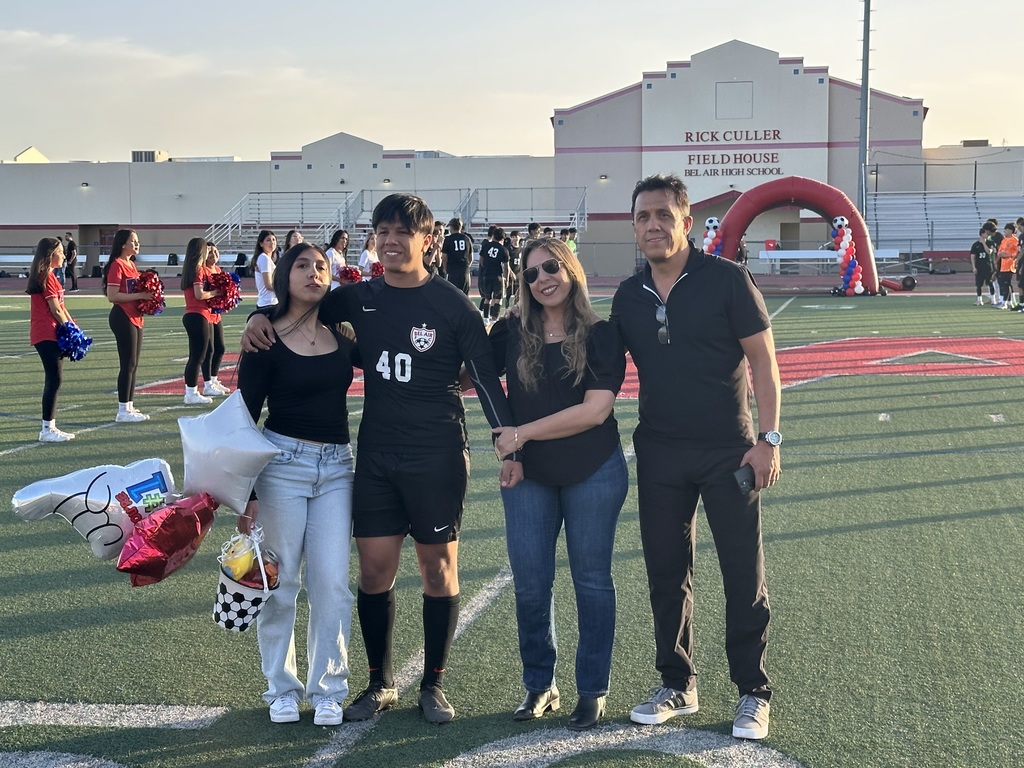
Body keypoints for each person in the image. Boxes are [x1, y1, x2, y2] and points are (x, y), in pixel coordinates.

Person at [242, 193, 521, 725]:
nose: (391, 241)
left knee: (437, 568)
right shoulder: (359, 297)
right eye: (383, 232)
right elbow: (303, 304)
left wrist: (506, 438)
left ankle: (434, 684)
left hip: (437, 452)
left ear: (427, 240)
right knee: (373, 571)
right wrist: (259, 315)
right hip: (372, 456)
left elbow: (484, 375)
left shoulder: (453, 304)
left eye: (403, 232)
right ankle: (379, 682)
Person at [611, 173, 780, 741]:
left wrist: (769, 439)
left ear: (687, 222)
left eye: (664, 214)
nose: (653, 225)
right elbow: (592, 366)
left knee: (741, 572)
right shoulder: (629, 297)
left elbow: (763, 362)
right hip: (659, 453)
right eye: (643, 217)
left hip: (729, 451)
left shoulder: (727, 280)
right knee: (666, 570)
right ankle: (678, 683)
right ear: (634, 228)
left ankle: (752, 691)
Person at [484, 237, 627, 731]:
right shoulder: (510, 331)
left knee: (591, 582)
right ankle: (539, 684)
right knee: (530, 583)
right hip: (530, 474)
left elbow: (595, 410)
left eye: (551, 267)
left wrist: (520, 436)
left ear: (570, 270)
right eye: (530, 273)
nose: (542, 279)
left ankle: (593, 689)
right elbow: (472, 377)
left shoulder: (602, 333)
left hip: (595, 468)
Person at [237, 241, 358, 727]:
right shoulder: (263, 338)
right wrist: (246, 493)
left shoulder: (344, 334)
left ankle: (328, 687)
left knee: (330, 583)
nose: (314, 272)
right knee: (281, 584)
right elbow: (244, 418)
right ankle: (280, 688)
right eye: (303, 265)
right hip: (280, 466)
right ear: (285, 274)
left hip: (337, 468)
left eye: (322, 266)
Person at [27, 237, 76, 442]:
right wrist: (69, 330)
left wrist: (74, 327)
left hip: (53, 332)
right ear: (50, 254)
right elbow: (55, 309)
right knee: (54, 379)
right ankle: (47, 429)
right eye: (60, 251)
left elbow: (62, 308)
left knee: (55, 379)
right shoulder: (44, 276)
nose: (64, 255)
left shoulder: (51, 277)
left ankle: (49, 427)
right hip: (45, 333)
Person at [103, 228, 155, 423]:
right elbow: (112, 296)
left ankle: (129, 406)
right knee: (128, 363)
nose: (137, 244)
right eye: (133, 241)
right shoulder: (117, 265)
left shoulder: (131, 265)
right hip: (122, 316)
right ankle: (122, 410)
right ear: (123, 244)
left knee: (133, 364)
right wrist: (141, 296)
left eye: (137, 241)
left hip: (136, 316)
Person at [180, 237, 222, 405]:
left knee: (199, 355)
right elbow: (199, 295)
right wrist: (215, 293)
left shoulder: (193, 269)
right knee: (197, 356)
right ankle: (191, 393)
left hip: (196, 315)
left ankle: (192, 391)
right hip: (197, 315)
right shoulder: (198, 270)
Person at [202, 243, 231, 395]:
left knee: (220, 347)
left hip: (216, 313)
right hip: (205, 313)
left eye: (215, 250)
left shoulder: (218, 270)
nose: (213, 254)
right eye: (209, 252)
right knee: (209, 350)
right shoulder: (202, 270)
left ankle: (213, 379)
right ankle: (207, 384)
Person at [477, 226, 508, 324]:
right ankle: (495, 318)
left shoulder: (486, 245)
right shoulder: (503, 250)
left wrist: (485, 267)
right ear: (502, 239)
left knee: (487, 298)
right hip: (497, 275)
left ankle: (486, 318)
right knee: (498, 298)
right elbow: (506, 267)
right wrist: (506, 279)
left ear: (493, 235)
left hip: (486, 274)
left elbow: (481, 260)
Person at [441, 217, 472, 294]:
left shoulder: (448, 239)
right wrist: (467, 267)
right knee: (465, 296)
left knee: (453, 296)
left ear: (451, 227)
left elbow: (444, 258)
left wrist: (446, 269)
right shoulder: (466, 239)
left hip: (453, 271)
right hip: (464, 271)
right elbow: (470, 257)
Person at [253, 230, 279, 309]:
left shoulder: (267, 258)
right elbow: (268, 285)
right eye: (268, 240)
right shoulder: (264, 258)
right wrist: (284, 289)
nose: (272, 243)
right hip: (268, 303)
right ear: (261, 244)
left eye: (273, 240)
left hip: (269, 302)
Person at [970, 228, 995, 306]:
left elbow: (989, 251)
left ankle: (993, 299)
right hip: (979, 267)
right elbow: (973, 256)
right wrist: (974, 267)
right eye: (986, 234)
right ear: (982, 234)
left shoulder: (990, 242)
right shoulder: (975, 245)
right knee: (979, 284)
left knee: (990, 283)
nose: (987, 235)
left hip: (988, 267)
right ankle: (979, 300)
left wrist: (984, 243)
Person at [996, 224, 1018, 309]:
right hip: (1003, 265)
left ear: (1011, 231)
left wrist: (1008, 255)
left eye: (1006, 229)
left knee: (1006, 284)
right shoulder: (1004, 240)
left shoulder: (1015, 240)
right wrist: (1001, 255)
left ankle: (1004, 303)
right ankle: (1009, 302)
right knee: (1003, 283)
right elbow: (1000, 251)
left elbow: (1017, 253)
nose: (1004, 230)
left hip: (1010, 265)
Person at [504, 230, 522, 310]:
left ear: (519, 237)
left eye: (516, 236)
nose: (515, 239)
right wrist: (511, 273)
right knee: (508, 294)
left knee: (518, 294)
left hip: (519, 274)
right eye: (513, 237)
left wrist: (520, 272)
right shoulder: (509, 249)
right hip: (511, 274)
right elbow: (506, 263)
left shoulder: (521, 249)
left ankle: (516, 308)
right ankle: (507, 308)